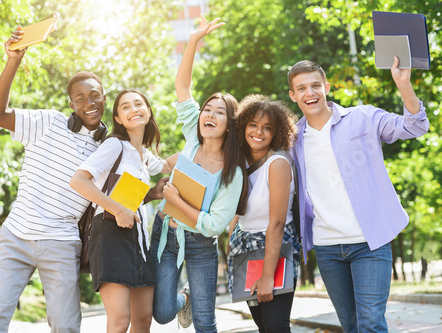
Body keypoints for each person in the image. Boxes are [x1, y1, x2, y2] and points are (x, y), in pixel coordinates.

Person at [0, 28, 164, 333]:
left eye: (94, 96)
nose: (88, 103)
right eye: (80, 99)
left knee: (66, 327)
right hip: (17, 233)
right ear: (72, 105)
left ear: (104, 100)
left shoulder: (112, 146)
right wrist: (12, 61)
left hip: (63, 242)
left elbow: (125, 194)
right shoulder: (47, 122)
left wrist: (152, 195)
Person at [288, 58, 429, 332]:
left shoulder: (363, 117)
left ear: (326, 87)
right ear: (293, 96)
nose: (310, 93)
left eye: (316, 85)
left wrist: (404, 85)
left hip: (370, 243)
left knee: (371, 323)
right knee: (350, 325)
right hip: (327, 247)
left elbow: (415, 126)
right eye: (302, 88)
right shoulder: (292, 138)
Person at [151, 15, 248, 332]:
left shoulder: (233, 172)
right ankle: (185, 299)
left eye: (220, 112)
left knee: (206, 322)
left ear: (230, 123)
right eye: (208, 108)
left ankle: (197, 301)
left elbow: (213, 226)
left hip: (200, 244)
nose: (210, 114)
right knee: (164, 312)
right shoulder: (192, 138)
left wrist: (176, 200)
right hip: (166, 233)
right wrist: (193, 41)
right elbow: (182, 86)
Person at [70, 88, 174, 333]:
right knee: (120, 320)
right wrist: (118, 210)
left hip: (140, 239)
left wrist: (206, 140)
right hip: (110, 236)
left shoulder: (144, 155)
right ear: (117, 118)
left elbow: (168, 164)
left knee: (142, 320)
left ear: (148, 111)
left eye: (138, 104)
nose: (133, 109)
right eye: (125, 107)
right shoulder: (115, 145)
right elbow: (79, 181)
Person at [228, 94, 301, 333]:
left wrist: (268, 275)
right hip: (245, 249)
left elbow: (278, 223)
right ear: (243, 126)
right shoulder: (241, 162)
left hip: (274, 248)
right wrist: (231, 239)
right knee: (263, 326)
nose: (259, 132)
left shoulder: (277, 163)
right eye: (253, 125)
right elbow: (238, 210)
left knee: (276, 326)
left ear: (276, 132)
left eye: (267, 127)